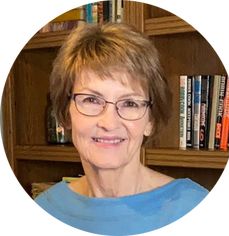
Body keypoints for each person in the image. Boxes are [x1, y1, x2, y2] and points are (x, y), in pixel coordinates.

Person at [35, 22, 208, 235]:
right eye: (91, 99)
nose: (109, 123)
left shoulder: (194, 208)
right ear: (65, 113)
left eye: (130, 103)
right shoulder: (44, 208)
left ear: (150, 121)